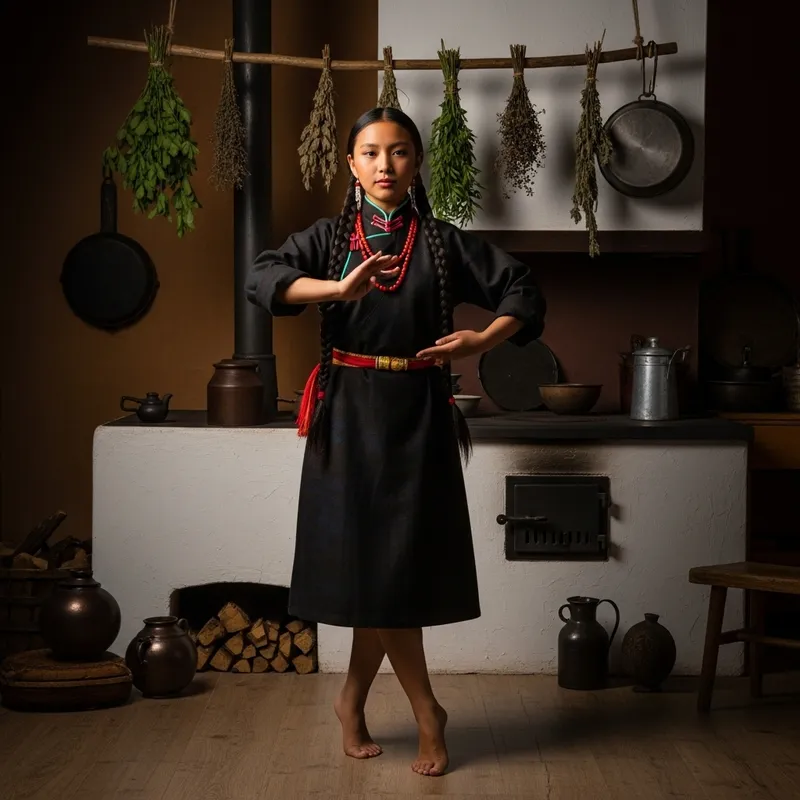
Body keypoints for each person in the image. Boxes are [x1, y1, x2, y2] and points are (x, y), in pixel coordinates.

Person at [246, 106, 546, 777]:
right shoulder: (327, 240)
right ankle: (424, 709)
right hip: (346, 414)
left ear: (416, 163)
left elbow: (523, 290)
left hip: (419, 414)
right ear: (351, 164)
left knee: (391, 570)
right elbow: (261, 279)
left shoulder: (442, 244)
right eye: (372, 153)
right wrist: (337, 287)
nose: (386, 165)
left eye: (401, 152)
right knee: (372, 568)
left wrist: (481, 339)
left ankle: (351, 697)